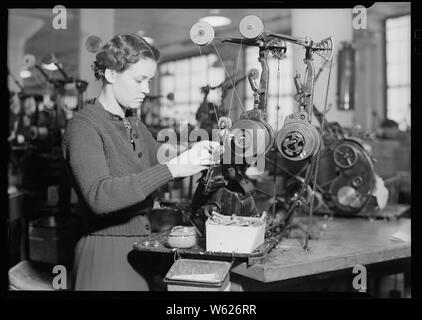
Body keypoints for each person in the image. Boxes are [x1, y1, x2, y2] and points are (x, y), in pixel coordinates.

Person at [62, 33, 220, 290]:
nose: (146, 89)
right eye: (139, 80)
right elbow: (100, 196)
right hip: (105, 254)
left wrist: (198, 148)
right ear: (111, 74)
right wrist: (175, 168)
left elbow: (158, 152)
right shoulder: (84, 126)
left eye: (149, 80)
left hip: (138, 247)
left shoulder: (131, 121)